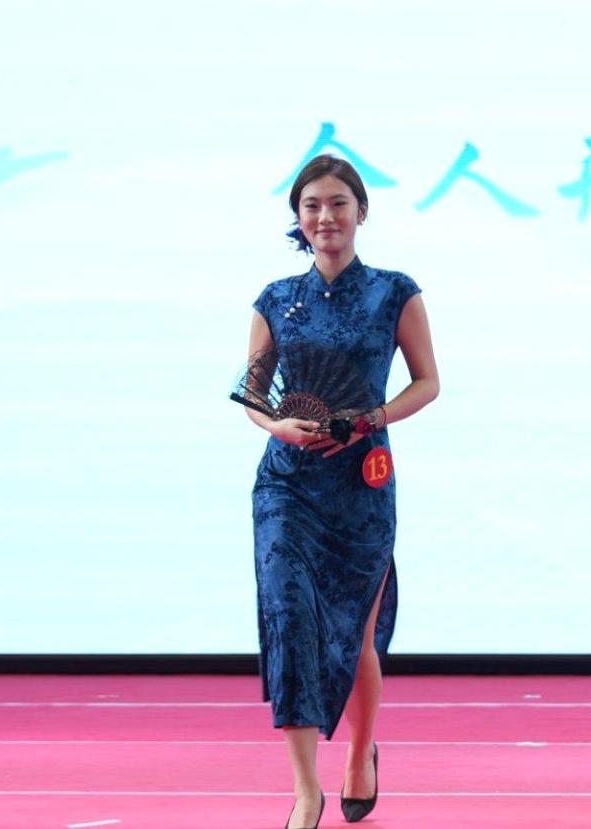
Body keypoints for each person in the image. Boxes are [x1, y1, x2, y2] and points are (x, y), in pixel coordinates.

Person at [243, 155, 439, 829]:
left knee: (355, 637)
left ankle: (360, 751)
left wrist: (372, 417)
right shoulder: (275, 299)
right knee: (290, 622)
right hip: (286, 485)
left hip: (360, 483)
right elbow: (253, 395)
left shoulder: (394, 292)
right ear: (297, 218)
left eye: (337, 203)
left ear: (360, 211)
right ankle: (306, 790)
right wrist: (277, 425)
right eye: (311, 206)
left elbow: (427, 382)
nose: (324, 216)